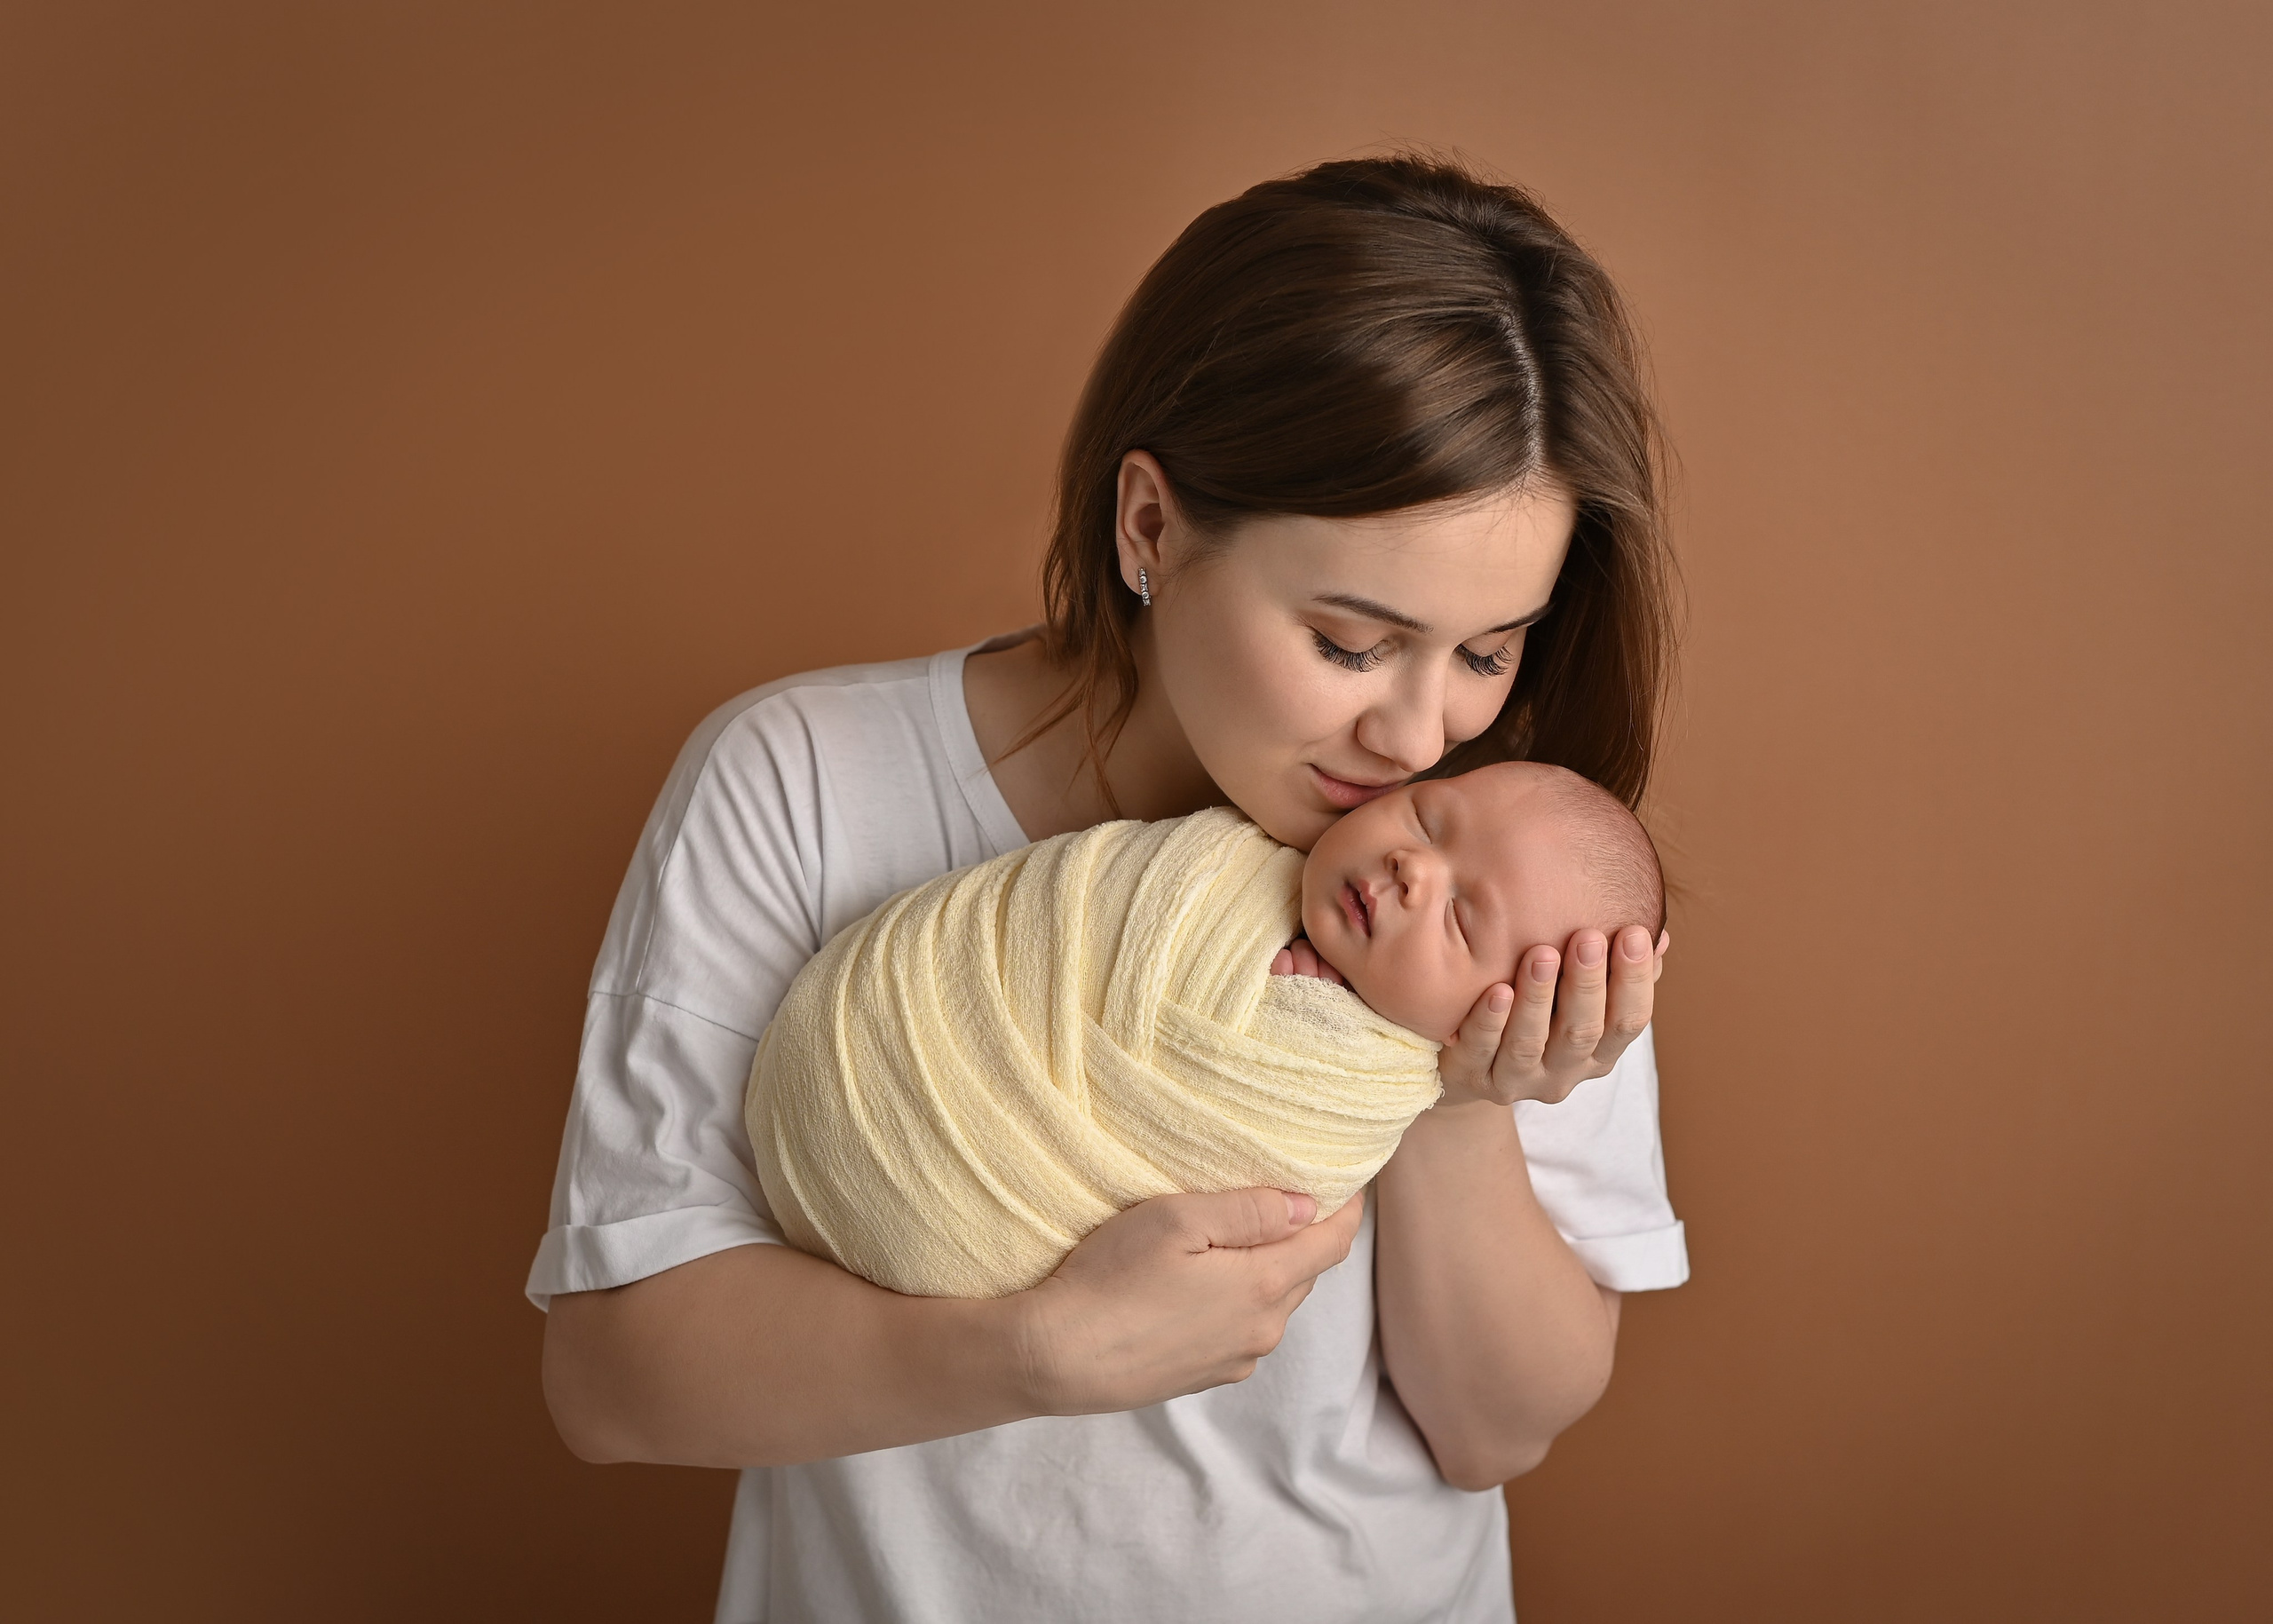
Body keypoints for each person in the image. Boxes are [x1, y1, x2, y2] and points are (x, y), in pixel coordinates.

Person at [533, 153, 1688, 1624]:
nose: (1417, 734)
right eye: (1349, 639)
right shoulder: (806, 778)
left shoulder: (1508, 875)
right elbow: (615, 1375)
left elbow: (1495, 1428)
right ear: (1150, 526)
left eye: (1485, 650)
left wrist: (1455, 1093)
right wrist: (1032, 1351)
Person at [744, 761, 1665, 1303]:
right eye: (1427, 814)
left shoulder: (1564, 1043)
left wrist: (1458, 1103)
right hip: (849, 1060)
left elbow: (1501, 1437)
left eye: (1462, 919)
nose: (1410, 865)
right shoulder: (1228, 862)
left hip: (964, 1195)